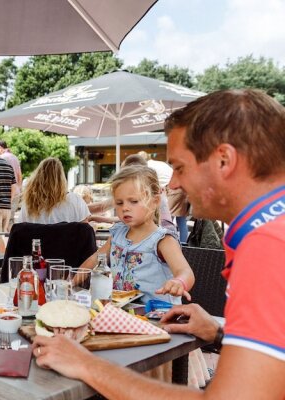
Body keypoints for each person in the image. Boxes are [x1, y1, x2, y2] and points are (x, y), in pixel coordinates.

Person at [33, 89, 285, 399]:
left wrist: (86, 365)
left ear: (224, 160)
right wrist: (220, 332)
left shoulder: (269, 247)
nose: (174, 184)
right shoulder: (270, 230)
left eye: (179, 167)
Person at [79, 165, 194, 304]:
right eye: (119, 203)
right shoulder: (118, 233)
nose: (125, 208)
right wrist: (76, 276)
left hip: (158, 316)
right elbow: (95, 258)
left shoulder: (162, 240)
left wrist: (179, 282)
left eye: (133, 201)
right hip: (124, 314)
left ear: (154, 202)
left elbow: (185, 271)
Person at [19, 157, 90, 224]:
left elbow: (22, 229)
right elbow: (84, 231)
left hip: (38, 237)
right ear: (62, 178)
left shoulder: (29, 203)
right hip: (66, 237)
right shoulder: (75, 200)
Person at [0, 140, 22, 224]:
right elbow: (19, 175)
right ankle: (11, 236)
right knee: (11, 219)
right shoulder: (14, 157)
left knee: (2, 221)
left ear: (0, 148)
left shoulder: (1, 158)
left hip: (6, 193)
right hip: (16, 192)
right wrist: (19, 189)